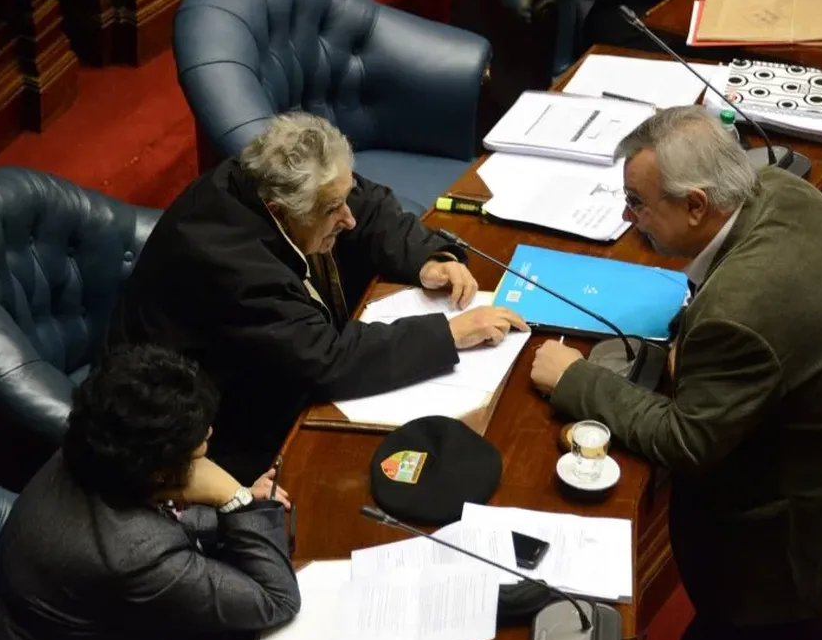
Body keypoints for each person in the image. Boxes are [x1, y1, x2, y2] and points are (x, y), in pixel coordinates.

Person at [531, 106, 822, 640]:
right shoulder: (779, 189)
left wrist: (578, 380)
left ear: (696, 204)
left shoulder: (738, 313)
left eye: (637, 203)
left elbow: (687, 438)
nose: (630, 219)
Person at [106, 112, 527, 484]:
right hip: (210, 423)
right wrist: (449, 334)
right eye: (331, 211)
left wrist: (427, 257)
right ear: (280, 211)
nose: (347, 218)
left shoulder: (283, 176)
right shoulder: (234, 266)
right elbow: (327, 360)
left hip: (268, 367)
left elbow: (368, 205)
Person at [0, 345, 300, 640]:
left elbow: (163, 517)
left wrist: (217, 502)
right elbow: (276, 599)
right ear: (158, 472)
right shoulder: (132, 554)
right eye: (197, 449)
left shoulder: (90, 446)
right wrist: (234, 497)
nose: (209, 433)